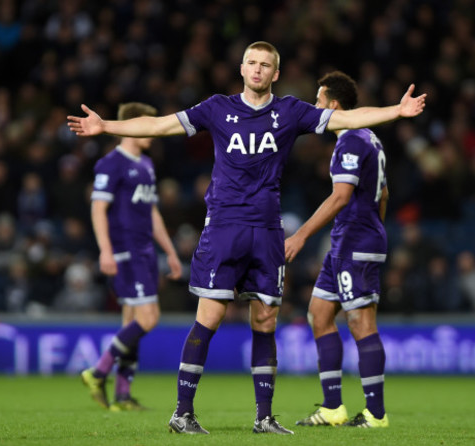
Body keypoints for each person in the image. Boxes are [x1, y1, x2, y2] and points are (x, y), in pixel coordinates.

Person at [68, 41, 425, 434]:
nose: (257, 70)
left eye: (265, 65)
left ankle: (264, 417)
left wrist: (397, 110)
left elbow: (348, 119)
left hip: (268, 230)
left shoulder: (291, 111)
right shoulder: (217, 108)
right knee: (211, 314)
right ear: (242, 69)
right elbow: (159, 125)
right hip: (223, 225)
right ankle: (182, 413)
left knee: (266, 319)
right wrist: (106, 127)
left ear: (275, 73)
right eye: (251, 63)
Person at [284, 71, 391, 428]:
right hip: (350, 239)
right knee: (319, 312)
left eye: (318, 101)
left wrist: (299, 235)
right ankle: (333, 408)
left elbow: (341, 196)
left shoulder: (350, 141)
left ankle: (376, 414)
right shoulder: (369, 136)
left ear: (333, 105)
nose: (314, 108)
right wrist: (374, 228)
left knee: (361, 321)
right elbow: (384, 194)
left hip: (354, 241)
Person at [80, 102, 182, 411]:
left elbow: (151, 212)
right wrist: (106, 249)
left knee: (131, 321)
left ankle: (122, 395)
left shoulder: (147, 165)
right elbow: (98, 208)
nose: (152, 132)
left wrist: (171, 252)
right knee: (148, 318)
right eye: (146, 124)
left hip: (146, 250)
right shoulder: (110, 164)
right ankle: (97, 372)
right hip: (126, 250)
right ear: (132, 125)